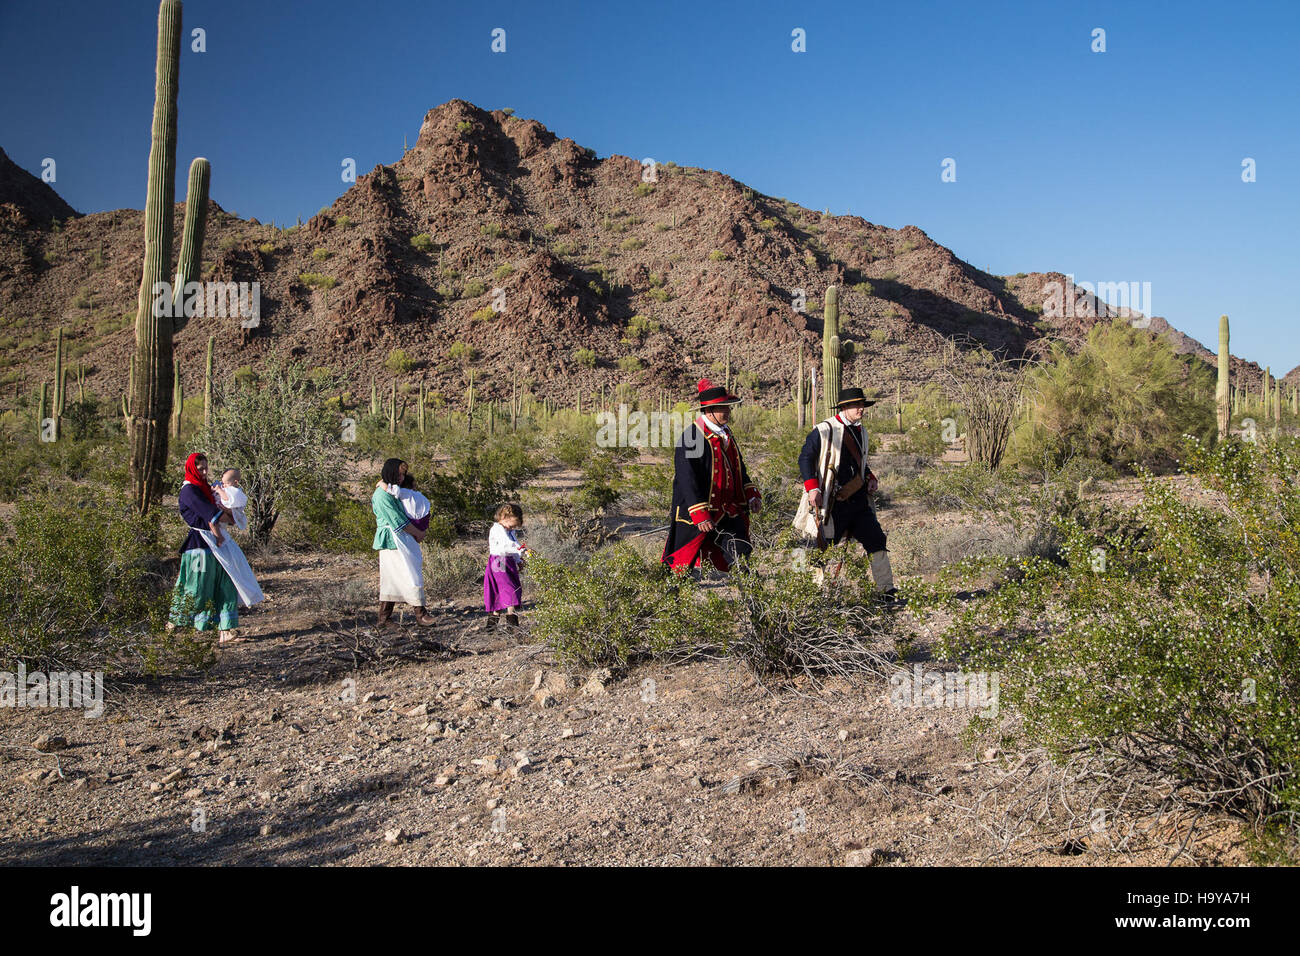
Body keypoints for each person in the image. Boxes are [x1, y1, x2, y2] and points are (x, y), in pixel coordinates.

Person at [796, 387, 898, 598]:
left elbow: (859, 463)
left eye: (862, 405)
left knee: (876, 539)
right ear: (844, 407)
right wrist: (812, 488)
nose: (861, 409)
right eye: (856, 405)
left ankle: (886, 590)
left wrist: (869, 477)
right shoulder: (824, 429)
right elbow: (805, 458)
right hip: (832, 502)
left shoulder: (861, 431)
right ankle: (812, 593)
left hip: (858, 501)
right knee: (823, 547)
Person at [662, 378, 762, 572]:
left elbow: (738, 469)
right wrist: (700, 514)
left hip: (727, 511)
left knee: (741, 556)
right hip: (696, 514)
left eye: (728, 407)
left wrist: (751, 494)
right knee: (680, 565)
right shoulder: (692, 436)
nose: (728, 411)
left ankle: (752, 601)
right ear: (709, 411)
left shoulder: (726, 434)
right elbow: (686, 478)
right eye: (723, 407)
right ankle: (668, 600)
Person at [170, 453, 265, 643]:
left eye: (206, 468)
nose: (205, 472)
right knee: (196, 585)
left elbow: (219, 509)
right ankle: (174, 622)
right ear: (192, 469)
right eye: (200, 469)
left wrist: (230, 515)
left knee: (226, 582)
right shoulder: (189, 491)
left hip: (217, 543)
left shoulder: (205, 488)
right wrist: (231, 517)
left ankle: (226, 629)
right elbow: (211, 513)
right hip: (200, 544)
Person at [372, 458, 434, 627]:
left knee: (396, 577)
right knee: (407, 574)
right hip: (392, 540)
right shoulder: (382, 496)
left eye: (403, 474)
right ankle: (420, 614)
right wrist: (419, 532)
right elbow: (398, 521)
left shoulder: (392, 491)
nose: (401, 477)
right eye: (398, 473)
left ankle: (384, 619)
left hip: (400, 539)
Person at [484, 503, 528, 628]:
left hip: (508, 562)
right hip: (498, 562)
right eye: (512, 524)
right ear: (503, 517)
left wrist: (518, 560)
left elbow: (513, 544)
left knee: (506, 590)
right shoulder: (497, 529)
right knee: (509, 590)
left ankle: (492, 627)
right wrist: (521, 550)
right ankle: (512, 627)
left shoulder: (509, 531)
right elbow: (507, 544)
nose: (512, 528)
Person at [212, 467, 248, 532]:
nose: (224, 485)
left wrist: (219, 490)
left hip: (227, 514)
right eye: (223, 483)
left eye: (226, 483)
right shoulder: (226, 487)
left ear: (235, 482)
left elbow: (228, 500)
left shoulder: (235, 492)